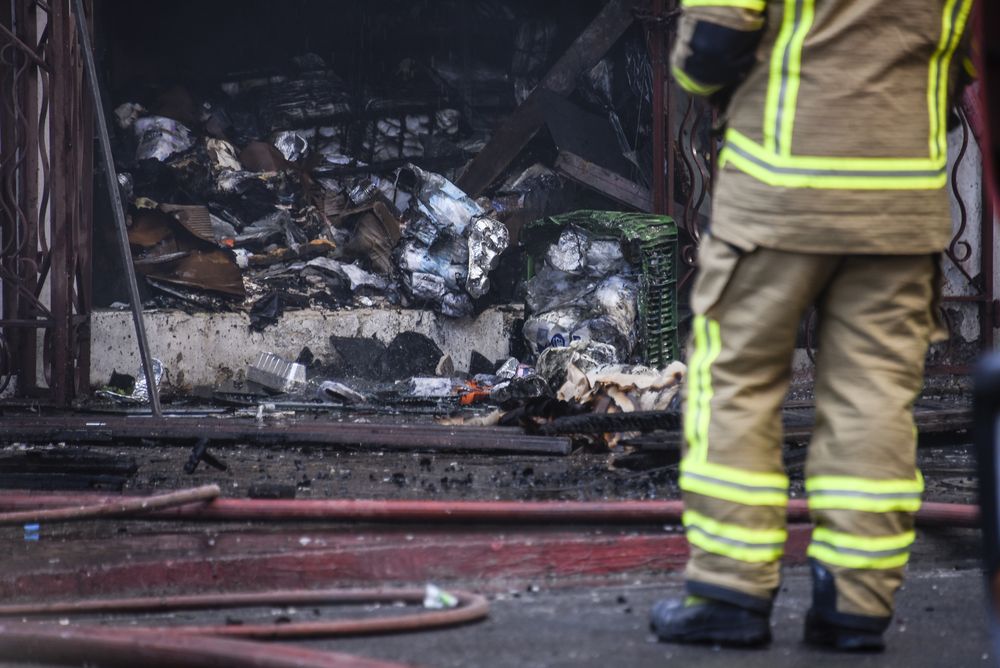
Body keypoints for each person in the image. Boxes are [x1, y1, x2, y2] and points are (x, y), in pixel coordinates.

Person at [650, 0, 975, 652]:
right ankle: (856, 604)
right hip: (901, 196)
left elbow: (709, 48)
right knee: (875, 394)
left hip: (779, 189)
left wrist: (711, 84)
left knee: (737, 377)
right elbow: (967, 57)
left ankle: (729, 592)